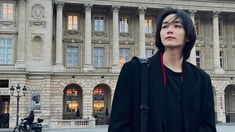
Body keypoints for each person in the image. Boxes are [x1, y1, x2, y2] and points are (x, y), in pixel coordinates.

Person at [108, 8, 217, 132]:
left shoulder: (202, 79)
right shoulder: (134, 70)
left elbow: (208, 127)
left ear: (188, 36)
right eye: (164, 27)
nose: (169, 30)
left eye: (177, 26)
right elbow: (118, 126)